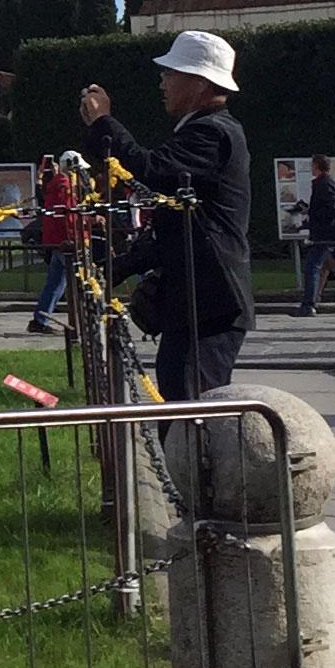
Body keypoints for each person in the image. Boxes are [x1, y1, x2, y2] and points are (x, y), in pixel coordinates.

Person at [76, 30, 254, 396]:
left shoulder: (211, 133)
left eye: (172, 73)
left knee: (192, 416)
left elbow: (151, 170)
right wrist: (121, 266)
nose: (163, 82)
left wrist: (104, 123)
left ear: (200, 83)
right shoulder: (205, 130)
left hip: (208, 303)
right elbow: (178, 223)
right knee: (180, 408)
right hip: (198, 301)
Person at [294, 156, 335, 315]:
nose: (311, 168)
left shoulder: (323, 184)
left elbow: (333, 209)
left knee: (312, 267)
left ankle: (309, 305)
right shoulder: (328, 183)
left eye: (312, 165)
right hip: (334, 234)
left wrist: (312, 215)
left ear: (317, 166)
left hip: (326, 236)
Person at [26, 155, 79, 335]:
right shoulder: (65, 186)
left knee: (56, 283)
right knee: (78, 283)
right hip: (66, 241)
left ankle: (40, 320)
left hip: (55, 240)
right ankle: (78, 323)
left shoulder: (54, 185)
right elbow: (70, 213)